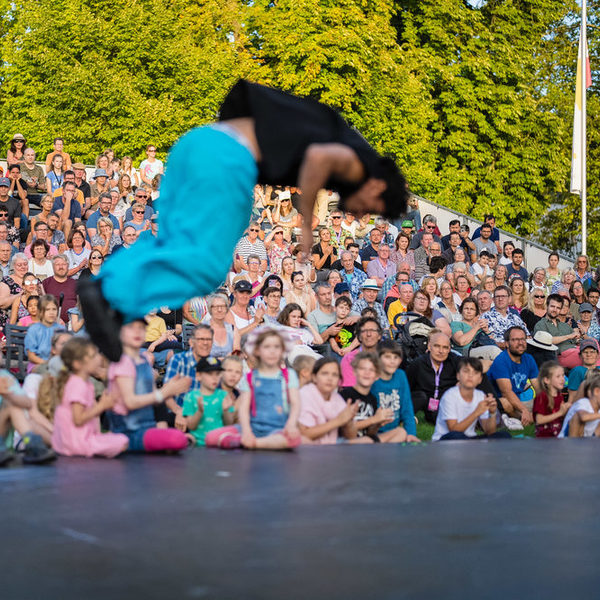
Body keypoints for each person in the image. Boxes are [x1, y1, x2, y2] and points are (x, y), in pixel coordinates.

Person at [80, 79, 408, 361]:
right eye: (371, 207)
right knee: (209, 266)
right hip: (226, 158)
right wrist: (307, 228)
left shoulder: (336, 135)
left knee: (178, 244)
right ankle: (110, 293)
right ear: (377, 187)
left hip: (196, 145)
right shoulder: (357, 161)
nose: (362, 214)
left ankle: (112, 298)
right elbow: (318, 158)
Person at [206, 327, 302, 449]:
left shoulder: (288, 375)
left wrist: (291, 424)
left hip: (278, 428)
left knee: (293, 439)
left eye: (277, 347)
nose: (272, 351)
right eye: (267, 347)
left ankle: (252, 443)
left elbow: (295, 404)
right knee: (210, 437)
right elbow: (244, 407)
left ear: (282, 350)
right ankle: (248, 440)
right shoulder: (251, 377)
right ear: (257, 351)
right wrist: (246, 431)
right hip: (252, 427)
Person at [106, 320, 191, 452]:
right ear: (121, 332)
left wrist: (161, 431)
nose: (137, 332)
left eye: (141, 328)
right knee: (178, 438)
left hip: (148, 426)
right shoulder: (122, 363)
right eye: (131, 328)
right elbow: (130, 402)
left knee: (185, 426)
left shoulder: (144, 360)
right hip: (129, 430)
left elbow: (156, 402)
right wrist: (165, 392)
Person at [50, 337, 129, 458]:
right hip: (75, 443)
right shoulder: (77, 384)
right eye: (93, 356)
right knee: (122, 441)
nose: (98, 358)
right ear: (78, 364)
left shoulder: (86, 383)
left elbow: (93, 415)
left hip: (81, 437)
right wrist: (102, 406)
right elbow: (78, 419)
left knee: (120, 438)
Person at [432, 357, 507, 441]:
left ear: (480, 379)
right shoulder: (449, 396)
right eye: (466, 371)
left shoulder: (480, 395)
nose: (470, 375)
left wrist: (492, 413)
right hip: (446, 440)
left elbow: (489, 432)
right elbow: (453, 430)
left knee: (503, 435)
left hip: (469, 439)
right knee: (456, 435)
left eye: (475, 373)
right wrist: (477, 412)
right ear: (458, 376)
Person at [340, 352, 408, 442]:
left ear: (377, 376)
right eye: (362, 369)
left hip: (366, 441)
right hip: (346, 441)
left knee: (401, 432)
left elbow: (370, 433)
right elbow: (344, 429)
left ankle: (378, 449)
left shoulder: (372, 399)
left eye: (371, 370)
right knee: (367, 441)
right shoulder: (346, 395)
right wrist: (374, 419)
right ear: (354, 372)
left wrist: (378, 423)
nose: (367, 373)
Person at [298, 358, 361, 445]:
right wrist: (338, 420)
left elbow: (351, 437)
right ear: (314, 377)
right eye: (325, 373)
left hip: (331, 448)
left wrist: (348, 421)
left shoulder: (336, 398)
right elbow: (304, 435)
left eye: (335, 375)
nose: (330, 378)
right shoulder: (304, 394)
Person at [487, 326, 539, 429]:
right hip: (498, 403)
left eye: (523, 339)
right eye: (515, 340)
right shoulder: (501, 361)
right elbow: (506, 392)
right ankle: (522, 419)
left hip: (518, 401)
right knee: (505, 403)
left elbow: (539, 387)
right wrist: (524, 410)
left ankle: (526, 418)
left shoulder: (529, 359)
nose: (520, 343)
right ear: (506, 343)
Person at [182, 357, 236, 446]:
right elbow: (191, 426)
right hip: (197, 445)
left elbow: (229, 424)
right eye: (210, 374)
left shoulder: (224, 395)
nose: (215, 378)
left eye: (217, 374)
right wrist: (199, 412)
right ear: (198, 376)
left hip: (219, 443)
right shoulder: (190, 397)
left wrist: (226, 411)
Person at [371, 340, 418, 439]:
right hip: (373, 431)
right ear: (378, 359)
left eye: (395, 357)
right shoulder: (372, 379)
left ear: (400, 360)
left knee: (402, 434)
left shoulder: (400, 375)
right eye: (387, 357)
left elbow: (407, 408)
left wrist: (411, 434)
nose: (392, 361)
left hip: (393, 431)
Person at [533, 293, 581, 369]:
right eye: (552, 306)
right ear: (546, 306)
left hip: (575, 350)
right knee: (587, 358)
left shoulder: (564, 325)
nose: (555, 310)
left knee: (593, 344)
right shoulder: (541, 324)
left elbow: (576, 340)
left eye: (558, 308)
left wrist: (580, 340)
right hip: (558, 356)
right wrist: (569, 336)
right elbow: (546, 341)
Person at [24, 295, 65, 373]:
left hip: (58, 364)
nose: (51, 312)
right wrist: (48, 363)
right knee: (50, 372)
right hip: (38, 364)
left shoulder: (61, 329)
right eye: (47, 309)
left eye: (54, 309)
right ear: (40, 312)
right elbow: (31, 356)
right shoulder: (34, 329)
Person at [532, 361, 570, 438]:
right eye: (558, 376)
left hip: (557, 436)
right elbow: (539, 420)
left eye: (563, 375)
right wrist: (560, 413)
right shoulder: (542, 396)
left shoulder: (559, 395)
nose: (562, 379)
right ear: (547, 380)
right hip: (545, 439)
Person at [42, 254, 78, 323]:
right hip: (52, 323)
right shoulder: (46, 283)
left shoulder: (75, 283)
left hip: (73, 323)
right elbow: (42, 305)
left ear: (68, 266)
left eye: (64, 264)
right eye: (57, 264)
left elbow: (80, 305)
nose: (61, 267)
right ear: (53, 267)